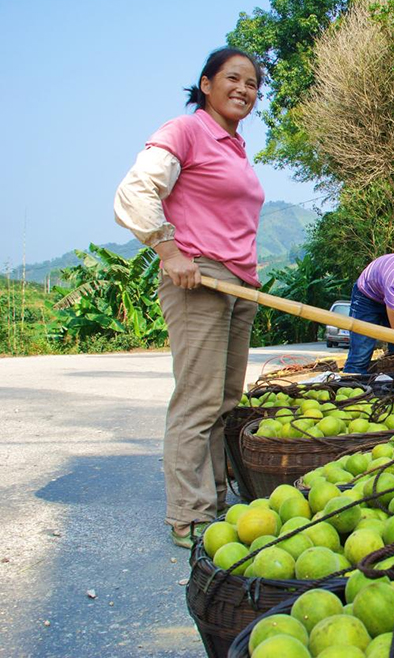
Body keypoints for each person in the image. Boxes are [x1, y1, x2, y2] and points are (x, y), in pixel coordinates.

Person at [113, 47, 265, 548]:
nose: (244, 89)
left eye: (252, 84)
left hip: (237, 283)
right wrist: (167, 249)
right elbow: (136, 190)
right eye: (233, 78)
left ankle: (216, 500)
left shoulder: (235, 147)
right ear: (205, 84)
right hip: (198, 277)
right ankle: (189, 514)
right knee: (198, 400)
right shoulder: (186, 131)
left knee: (224, 400)